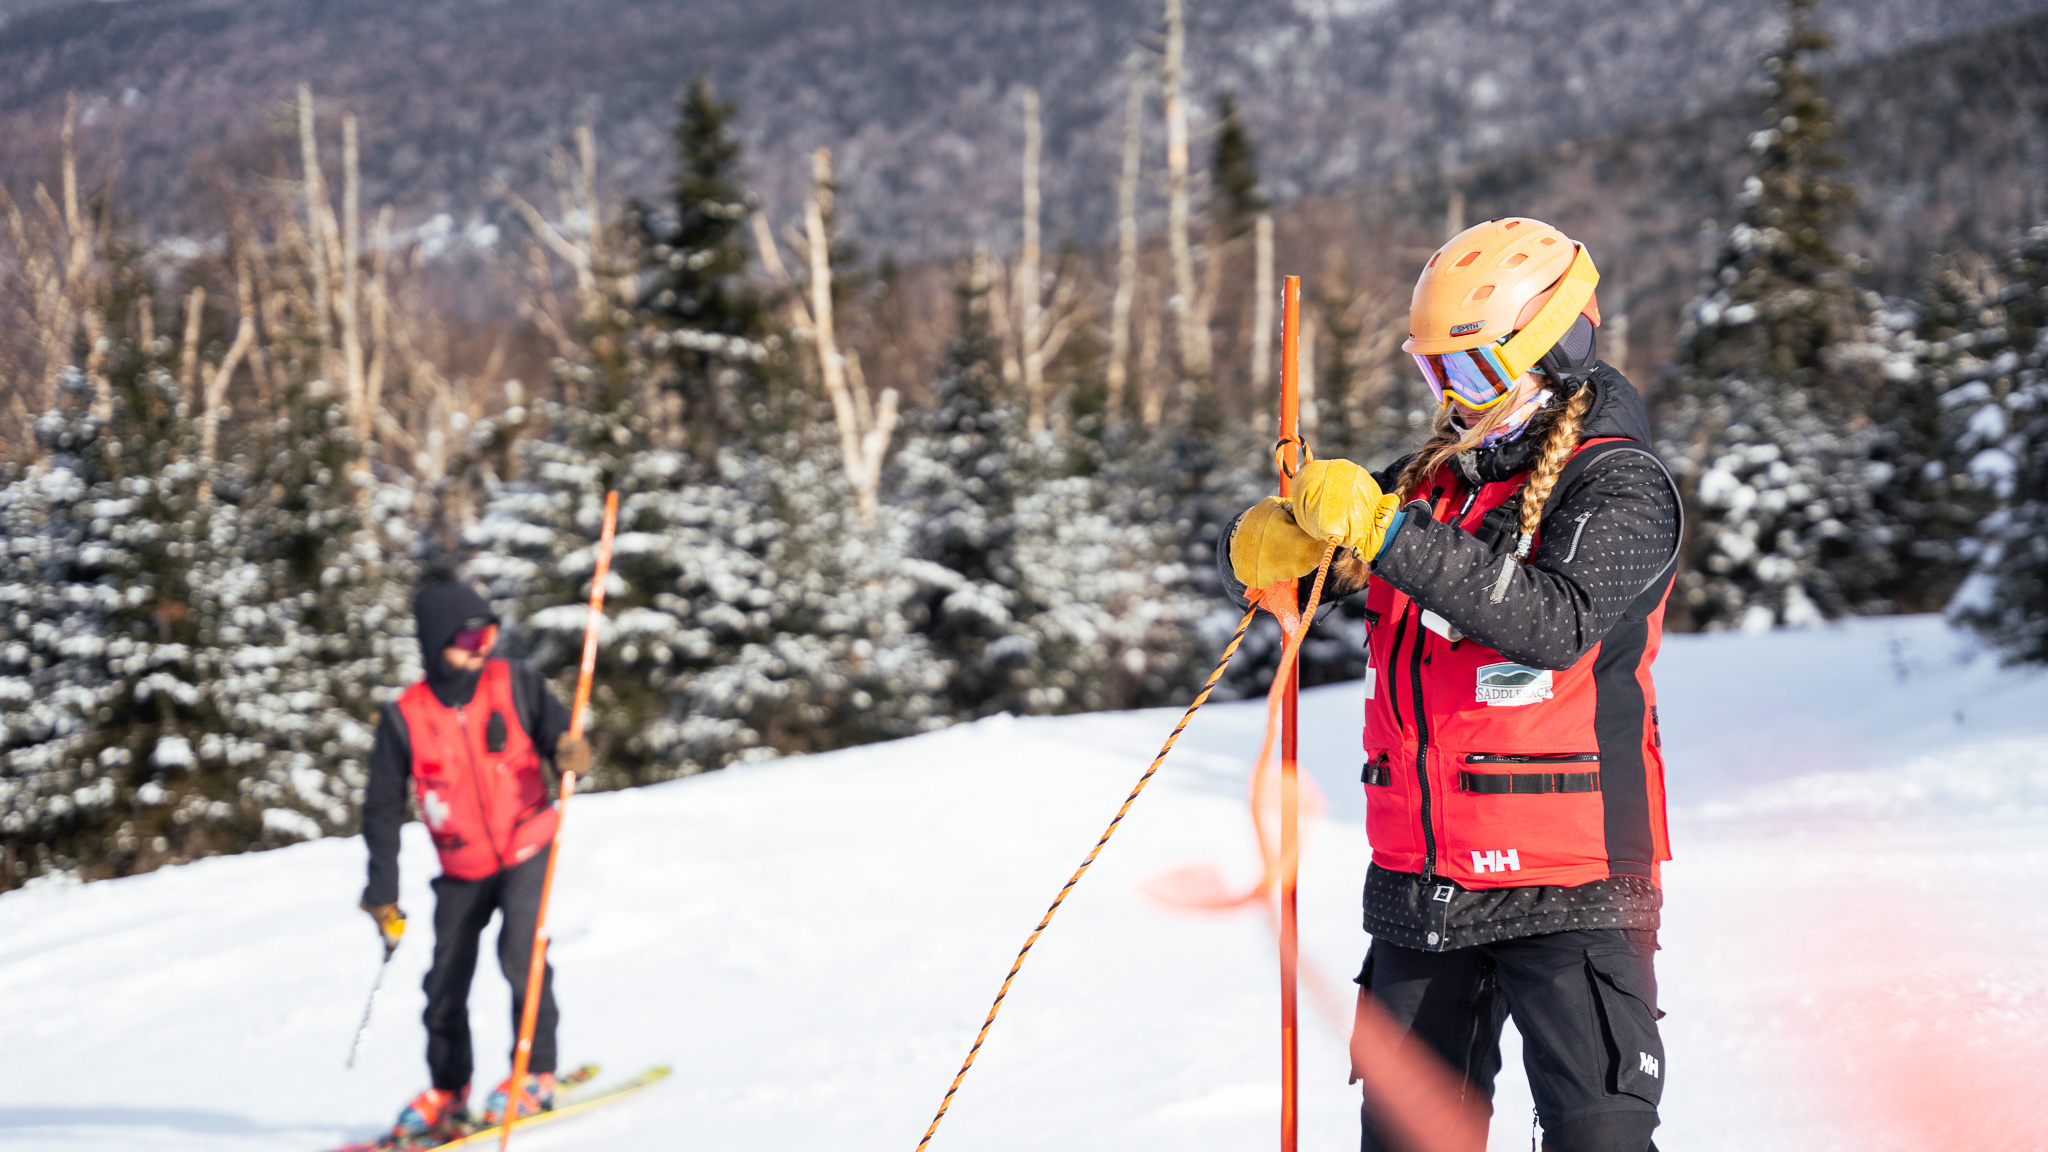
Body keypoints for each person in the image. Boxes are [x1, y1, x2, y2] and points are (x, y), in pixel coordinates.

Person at [1223, 218, 1683, 1152]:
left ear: (1557, 348)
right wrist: (1288, 554)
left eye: (1473, 373)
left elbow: (1551, 623)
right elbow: (1336, 581)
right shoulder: (1431, 485)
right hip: (1419, 888)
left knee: (1598, 1138)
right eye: (1435, 373)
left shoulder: (1622, 487)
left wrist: (1387, 535)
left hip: (1574, 887)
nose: (1451, 398)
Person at [359, 578, 592, 1141]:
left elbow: (561, 740)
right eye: (469, 635)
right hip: (461, 868)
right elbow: (382, 808)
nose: (483, 644)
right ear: (438, 640)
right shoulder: (405, 718)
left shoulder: (514, 683)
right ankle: (449, 1089)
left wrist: (572, 754)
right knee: (443, 982)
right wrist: (382, 889)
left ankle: (534, 1075)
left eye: (489, 631)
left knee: (521, 957)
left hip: (527, 843)